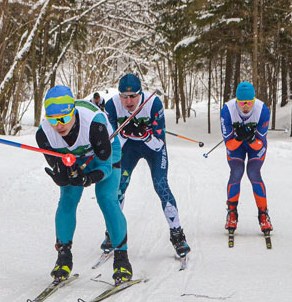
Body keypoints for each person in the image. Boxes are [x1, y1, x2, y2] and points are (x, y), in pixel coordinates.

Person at [36, 85, 133, 284]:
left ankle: (122, 259)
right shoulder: (44, 134)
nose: (59, 125)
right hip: (74, 157)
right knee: (68, 199)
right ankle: (64, 256)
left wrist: (88, 178)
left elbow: (105, 165)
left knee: (106, 198)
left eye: (63, 118)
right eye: (53, 120)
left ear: (73, 112)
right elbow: (58, 166)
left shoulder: (94, 124)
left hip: (103, 152)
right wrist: (61, 175)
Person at [104, 73, 190, 258]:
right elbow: (111, 141)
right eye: (124, 97)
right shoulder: (111, 105)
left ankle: (177, 234)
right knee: (119, 186)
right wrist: (125, 134)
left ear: (140, 93)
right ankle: (113, 232)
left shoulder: (153, 103)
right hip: (127, 149)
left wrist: (145, 135)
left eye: (133, 96)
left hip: (152, 148)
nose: (128, 101)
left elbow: (159, 143)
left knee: (161, 185)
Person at [220, 81, 272, 234]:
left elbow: (260, 146)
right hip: (236, 146)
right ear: (236, 100)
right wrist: (238, 138)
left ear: (254, 100)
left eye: (249, 102)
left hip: (254, 145)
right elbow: (228, 145)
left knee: (253, 172)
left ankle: (263, 215)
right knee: (236, 172)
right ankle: (232, 213)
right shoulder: (228, 110)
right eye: (241, 102)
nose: (245, 106)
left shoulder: (262, 110)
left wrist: (250, 139)